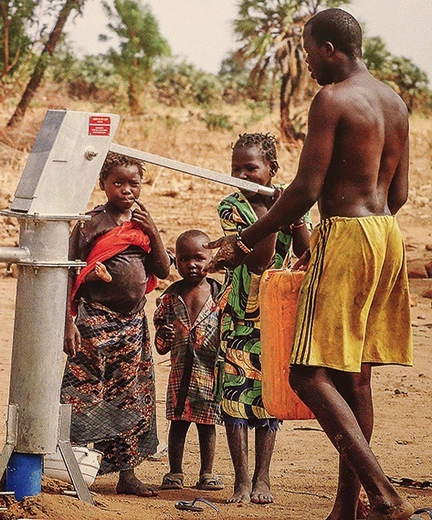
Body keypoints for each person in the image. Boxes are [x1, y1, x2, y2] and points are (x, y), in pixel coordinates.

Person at [205, 8, 414, 520]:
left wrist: (245, 238)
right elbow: (401, 193)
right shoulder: (395, 102)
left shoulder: (332, 98)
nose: (305, 62)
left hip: (346, 236)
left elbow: (304, 188)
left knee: (304, 374)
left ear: (327, 49)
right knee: (354, 377)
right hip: (387, 235)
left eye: (306, 51)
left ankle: (383, 493)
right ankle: (349, 506)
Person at [62, 151, 170, 497]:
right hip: (95, 321)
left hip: (133, 324)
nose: (126, 189)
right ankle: (70, 469)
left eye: (133, 183)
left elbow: (164, 269)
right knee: (83, 392)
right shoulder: (91, 223)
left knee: (132, 396)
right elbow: (67, 273)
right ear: (103, 184)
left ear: (142, 185)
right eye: (117, 183)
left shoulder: (142, 222)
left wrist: (151, 228)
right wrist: (69, 323)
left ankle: (128, 474)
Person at [213, 132, 310, 505]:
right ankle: (240, 481)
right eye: (236, 168)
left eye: (251, 168)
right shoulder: (231, 206)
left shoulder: (292, 198)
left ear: (271, 168)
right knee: (235, 398)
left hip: (276, 314)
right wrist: (277, 215)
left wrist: (295, 216)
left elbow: (305, 253)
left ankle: (262, 478)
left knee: (270, 395)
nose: (243, 174)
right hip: (238, 314)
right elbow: (257, 259)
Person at [154, 229, 223, 492]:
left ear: (211, 259)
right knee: (178, 425)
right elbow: (161, 346)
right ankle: (175, 472)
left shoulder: (220, 296)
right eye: (184, 259)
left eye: (198, 258)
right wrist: (163, 334)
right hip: (179, 375)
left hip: (209, 376)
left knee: (207, 426)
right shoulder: (169, 298)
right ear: (175, 260)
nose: (191, 264)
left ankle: (207, 473)